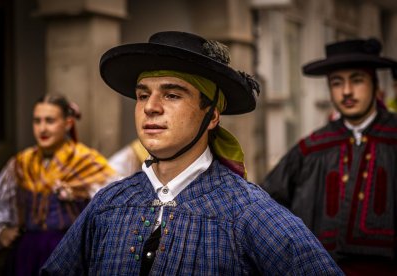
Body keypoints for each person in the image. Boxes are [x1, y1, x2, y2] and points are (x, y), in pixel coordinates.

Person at [41, 31, 342, 275]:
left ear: (211, 116)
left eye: (171, 95)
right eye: (143, 95)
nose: (150, 107)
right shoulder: (108, 204)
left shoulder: (248, 212)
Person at [261, 38, 397, 275]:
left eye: (357, 80)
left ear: (375, 86)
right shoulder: (311, 148)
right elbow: (266, 204)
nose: (346, 91)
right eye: (337, 83)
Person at [0, 93, 116, 275]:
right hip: (26, 255)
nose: (42, 128)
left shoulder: (87, 161)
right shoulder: (22, 163)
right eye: (37, 121)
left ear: (68, 123)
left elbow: (114, 206)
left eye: (50, 121)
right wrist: (1, 231)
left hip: (69, 253)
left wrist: (77, 193)